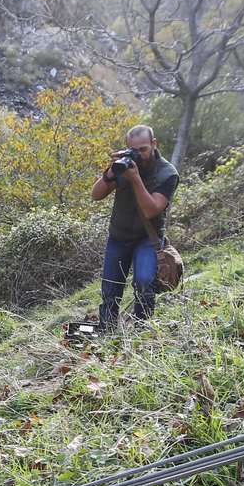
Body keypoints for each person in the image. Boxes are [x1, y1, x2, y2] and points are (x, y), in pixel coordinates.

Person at [90, 124, 180, 331]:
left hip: (147, 239)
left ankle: (141, 330)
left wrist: (135, 179)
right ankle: (107, 330)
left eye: (143, 149)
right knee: (110, 287)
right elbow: (96, 195)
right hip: (119, 236)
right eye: (134, 149)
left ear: (154, 144)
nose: (139, 154)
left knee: (144, 282)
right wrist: (110, 173)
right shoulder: (125, 165)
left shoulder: (167, 173)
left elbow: (151, 210)